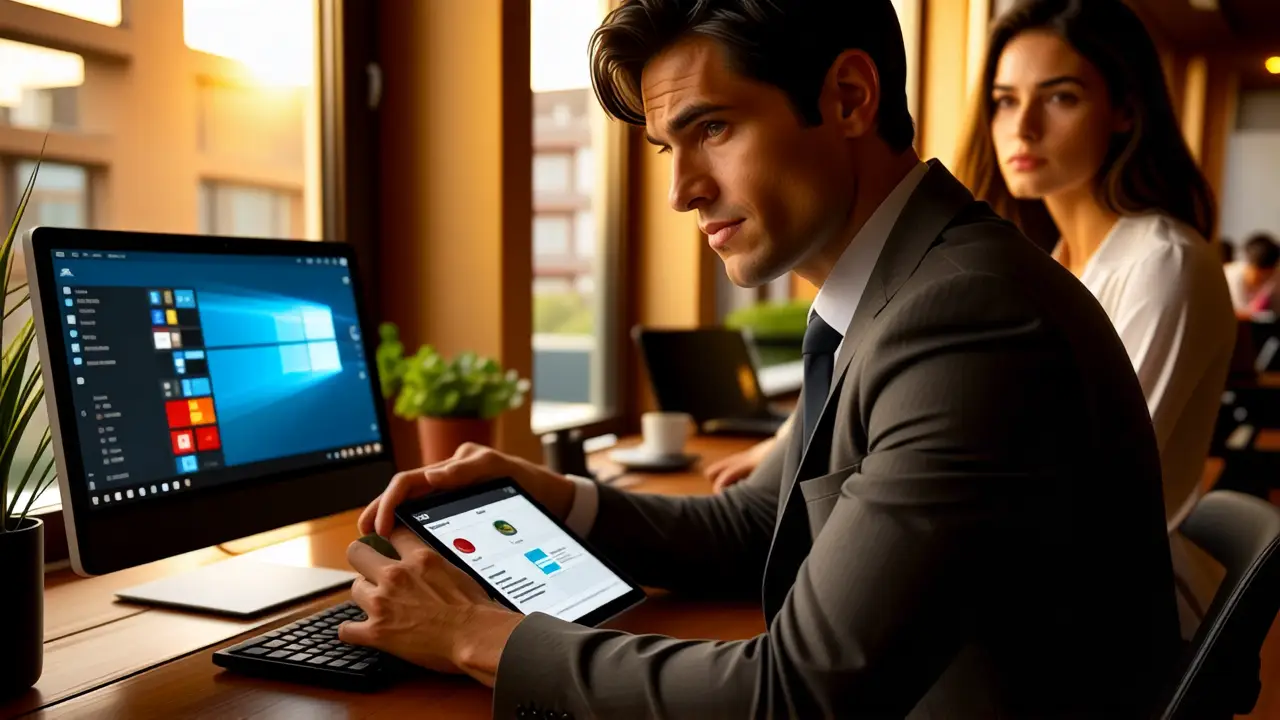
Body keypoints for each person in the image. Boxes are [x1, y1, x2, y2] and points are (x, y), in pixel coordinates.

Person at [340, 1, 1180, 716]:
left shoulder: (964, 316)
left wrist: (473, 634)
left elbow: (795, 693)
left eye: (713, 127)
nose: (682, 190)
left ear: (849, 97)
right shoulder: (900, 286)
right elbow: (759, 526)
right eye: (670, 147)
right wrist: (557, 496)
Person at [953, 0, 1235, 635]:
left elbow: (1092, 491)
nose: (1021, 128)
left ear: (1125, 111)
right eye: (1004, 100)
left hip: (1101, 613)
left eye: (1060, 98)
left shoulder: (1162, 264)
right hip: (1028, 580)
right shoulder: (1047, 264)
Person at [1225, 232, 1280, 319]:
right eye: (1260, 275)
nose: (1264, 279)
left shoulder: (1275, 276)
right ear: (1248, 264)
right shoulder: (1229, 276)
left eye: (1267, 276)